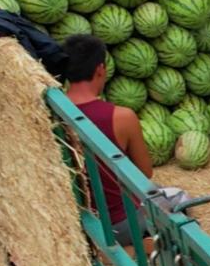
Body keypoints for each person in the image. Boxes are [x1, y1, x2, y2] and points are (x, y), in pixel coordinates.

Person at [62, 35, 153, 245]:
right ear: (100, 69)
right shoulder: (122, 116)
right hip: (121, 223)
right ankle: (139, 248)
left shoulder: (49, 113)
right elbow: (144, 173)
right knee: (178, 199)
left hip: (80, 224)